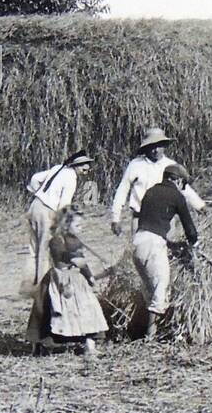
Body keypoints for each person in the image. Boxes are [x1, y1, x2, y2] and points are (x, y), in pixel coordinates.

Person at [26, 207, 110, 359]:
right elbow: (62, 255)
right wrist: (72, 257)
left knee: (88, 309)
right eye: (78, 225)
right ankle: (42, 344)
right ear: (65, 225)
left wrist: (90, 277)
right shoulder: (56, 241)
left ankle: (89, 345)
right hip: (60, 280)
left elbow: (83, 263)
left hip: (76, 280)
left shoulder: (77, 241)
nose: (81, 228)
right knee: (48, 311)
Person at [133, 165, 200, 339]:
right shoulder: (176, 195)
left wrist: (169, 244)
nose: (181, 187)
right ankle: (150, 335)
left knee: (149, 290)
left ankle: (146, 329)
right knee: (161, 287)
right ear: (177, 180)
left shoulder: (150, 191)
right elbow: (189, 228)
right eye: (182, 184)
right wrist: (194, 244)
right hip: (154, 246)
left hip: (138, 242)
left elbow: (151, 222)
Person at [25, 151, 94, 288]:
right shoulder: (71, 178)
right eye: (84, 169)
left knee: (34, 249)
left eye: (87, 170)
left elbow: (34, 178)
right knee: (45, 249)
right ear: (76, 165)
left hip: (35, 206)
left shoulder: (58, 168)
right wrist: (64, 226)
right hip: (47, 211)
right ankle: (41, 286)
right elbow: (64, 205)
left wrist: (39, 193)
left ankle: (28, 284)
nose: (85, 173)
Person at [110, 127, 174, 237]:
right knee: (140, 251)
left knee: (166, 251)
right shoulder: (136, 165)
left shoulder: (170, 165)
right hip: (141, 218)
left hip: (165, 219)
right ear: (146, 148)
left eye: (159, 146)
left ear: (164, 146)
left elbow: (184, 189)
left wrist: (200, 206)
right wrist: (115, 218)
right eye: (152, 146)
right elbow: (123, 190)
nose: (156, 150)